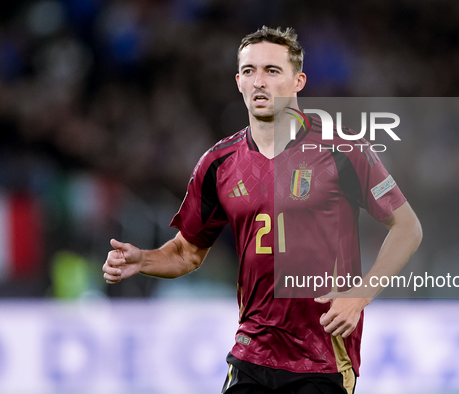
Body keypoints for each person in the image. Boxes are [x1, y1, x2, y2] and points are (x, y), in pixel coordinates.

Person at [103, 26, 422, 394]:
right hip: (252, 351)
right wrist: (144, 259)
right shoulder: (218, 163)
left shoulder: (343, 148)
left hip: (322, 357)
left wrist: (360, 296)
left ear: (298, 80)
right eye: (250, 71)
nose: (260, 82)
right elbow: (187, 251)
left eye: (272, 71)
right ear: (238, 81)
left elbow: (407, 228)